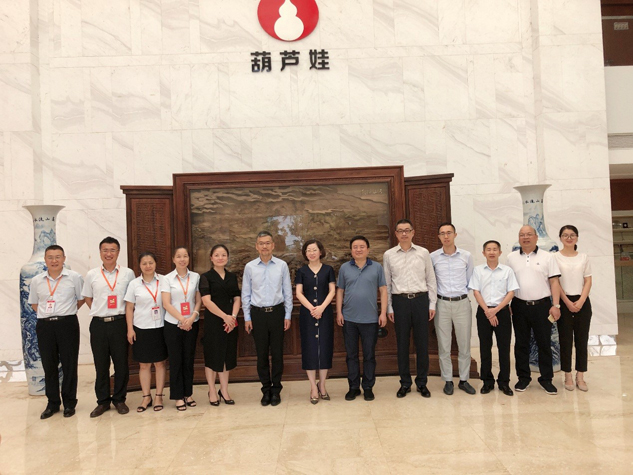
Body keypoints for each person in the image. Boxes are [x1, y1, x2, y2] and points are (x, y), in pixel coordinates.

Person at [28, 245, 84, 419]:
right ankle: (52, 403)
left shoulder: (74, 277)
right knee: (49, 365)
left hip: (67, 324)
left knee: (69, 364)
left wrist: (65, 312)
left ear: (64, 258)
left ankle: (69, 403)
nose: (54, 261)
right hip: (45, 326)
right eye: (50, 257)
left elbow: (81, 299)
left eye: (58, 257)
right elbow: (34, 304)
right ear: (45, 260)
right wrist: (48, 315)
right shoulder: (37, 280)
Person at [82, 236, 136, 418]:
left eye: (112, 250)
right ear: (100, 252)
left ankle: (119, 399)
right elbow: (87, 297)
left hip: (120, 323)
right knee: (101, 365)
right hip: (98, 325)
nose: (108, 253)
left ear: (118, 252)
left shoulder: (128, 273)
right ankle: (103, 401)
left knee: (121, 364)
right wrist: (100, 311)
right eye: (105, 250)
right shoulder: (92, 274)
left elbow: (131, 299)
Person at [383, 219, 437, 399]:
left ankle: (422, 383)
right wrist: (390, 307)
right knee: (402, 344)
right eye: (400, 231)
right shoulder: (389, 255)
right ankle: (405, 383)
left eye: (407, 230)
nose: (404, 233)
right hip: (400, 302)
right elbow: (387, 283)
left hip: (421, 300)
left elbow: (431, 279)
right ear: (396, 234)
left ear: (413, 232)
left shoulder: (423, 253)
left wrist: (432, 304)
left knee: (422, 344)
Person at [507, 225, 562, 395]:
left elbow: (554, 282)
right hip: (519, 306)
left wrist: (556, 305)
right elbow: (507, 282)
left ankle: (546, 379)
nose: (525, 237)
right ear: (519, 238)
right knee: (521, 344)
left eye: (529, 234)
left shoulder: (548, 257)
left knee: (544, 343)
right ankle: (523, 378)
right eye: (522, 235)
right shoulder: (511, 257)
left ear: (536, 237)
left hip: (542, 306)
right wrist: (507, 304)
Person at [242, 231, 293, 407]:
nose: (264, 246)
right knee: (262, 354)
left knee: (277, 354)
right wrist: (247, 317)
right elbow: (246, 293)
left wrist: (287, 315)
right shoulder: (250, 267)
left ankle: (276, 390)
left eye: (267, 243)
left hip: (277, 313)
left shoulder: (281, 265)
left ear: (273, 245)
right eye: (261, 243)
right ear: (257, 246)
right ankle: (266, 390)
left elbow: (287, 292)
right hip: (258, 314)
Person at [336, 235, 387, 402]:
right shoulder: (344, 268)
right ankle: (353, 387)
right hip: (349, 319)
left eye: (362, 246)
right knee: (351, 355)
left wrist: (383, 313)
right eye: (355, 247)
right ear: (351, 250)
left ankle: (368, 387)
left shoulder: (377, 267)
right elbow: (340, 291)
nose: (358, 249)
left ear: (368, 249)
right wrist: (339, 312)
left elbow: (383, 290)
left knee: (369, 355)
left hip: (370, 319)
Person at [468, 240, 519, 396]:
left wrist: (495, 310)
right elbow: (476, 292)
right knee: (485, 347)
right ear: (483, 253)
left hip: (502, 312)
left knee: (504, 348)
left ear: (500, 252)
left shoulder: (507, 271)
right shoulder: (478, 270)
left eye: (495, 249)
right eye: (488, 249)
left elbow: (511, 292)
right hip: (484, 312)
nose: (491, 252)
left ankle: (504, 382)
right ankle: (487, 381)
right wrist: (488, 311)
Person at [430, 223, 475, 396]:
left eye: (449, 233)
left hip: (462, 303)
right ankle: (448, 380)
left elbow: (470, 280)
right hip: (441, 303)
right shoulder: (433, 257)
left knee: (464, 344)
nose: (446, 236)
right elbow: (431, 281)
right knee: (444, 344)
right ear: (438, 237)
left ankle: (464, 380)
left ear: (455, 235)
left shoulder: (466, 256)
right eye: (442, 233)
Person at [124, 252, 168, 412]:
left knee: (160, 363)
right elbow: (129, 308)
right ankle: (146, 396)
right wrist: (130, 329)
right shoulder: (134, 284)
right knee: (144, 365)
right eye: (144, 263)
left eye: (151, 262)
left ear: (155, 264)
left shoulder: (164, 280)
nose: (148, 266)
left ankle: (159, 396)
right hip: (141, 328)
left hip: (161, 327)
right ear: (139, 266)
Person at [295, 239, 336, 404]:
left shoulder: (328, 270)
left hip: (325, 314)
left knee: (325, 348)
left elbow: (332, 291)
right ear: (305, 253)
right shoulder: (301, 271)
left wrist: (321, 308)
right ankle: (313, 386)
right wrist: (312, 309)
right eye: (308, 250)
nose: (311, 253)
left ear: (320, 252)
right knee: (309, 349)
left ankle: (322, 385)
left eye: (314, 250)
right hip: (307, 315)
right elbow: (299, 293)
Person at [162, 247, 202, 411]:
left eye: (185, 256)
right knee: (176, 360)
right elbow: (166, 303)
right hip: (173, 324)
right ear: (173, 259)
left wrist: (192, 317)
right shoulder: (167, 279)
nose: (182, 259)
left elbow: (198, 300)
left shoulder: (196, 277)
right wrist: (182, 319)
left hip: (192, 323)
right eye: (178, 256)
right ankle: (178, 396)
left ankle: (188, 393)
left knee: (188, 359)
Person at [200, 244, 240, 405]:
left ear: (227, 258)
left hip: (230, 322)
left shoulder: (232, 276)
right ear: (211, 258)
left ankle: (224, 390)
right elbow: (206, 301)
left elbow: (237, 298)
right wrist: (225, 317)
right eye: (217, 255)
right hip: (214, 321)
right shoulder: (206, 277)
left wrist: (233, 318)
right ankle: (212, 390)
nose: (220, 258)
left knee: (226, 356)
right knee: (212, 356)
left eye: (223, 255)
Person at [555, 225, 592, 392]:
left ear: (577, 237)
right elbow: (555, 282)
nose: (569, 238)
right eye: (565, 235)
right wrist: (567, 302)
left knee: (582, 340)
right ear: (560, 238)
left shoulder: (583, 257)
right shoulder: (555, 257)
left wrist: (581, 300)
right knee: (565, 340)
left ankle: (580, 376)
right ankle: (568, 375)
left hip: (582, 301)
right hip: (564, 301)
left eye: (572, 235)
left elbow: (588, 280)